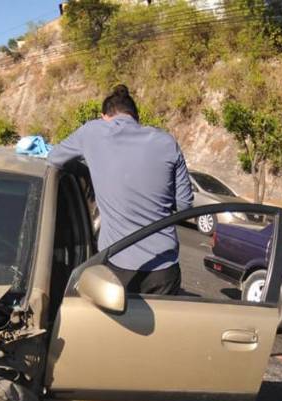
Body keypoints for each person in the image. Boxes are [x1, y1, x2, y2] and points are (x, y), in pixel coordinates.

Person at [47, 84, 193, 295]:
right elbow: (185, 205)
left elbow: (54, 159)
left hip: (118, 267)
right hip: (164, 268)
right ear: (136, 118)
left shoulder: (93, 132)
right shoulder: (167, 142)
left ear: (103, 116)